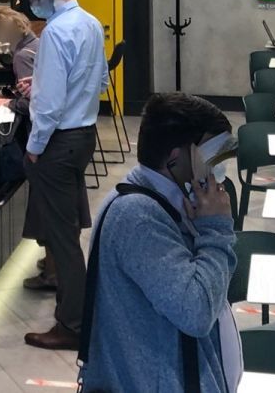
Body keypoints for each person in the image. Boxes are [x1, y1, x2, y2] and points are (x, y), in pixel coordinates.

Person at [79, 93, 240, 393]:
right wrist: (216, 228)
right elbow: (196, 312)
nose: (218, 174)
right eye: (211, 158)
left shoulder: (168, 201)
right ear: (175, 159)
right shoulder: (137, 216)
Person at [17, 0, 109, 351]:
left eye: (30, 1)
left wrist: (35, 148)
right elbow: (101, 79)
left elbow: (51, 105)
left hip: (58, 141)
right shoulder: (90, 23)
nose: (31, 9)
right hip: (84, 135)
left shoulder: (55, 32)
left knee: (62, 240)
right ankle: (79, 314)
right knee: (68, 230)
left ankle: (72, 324)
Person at [0, 7, 40, 182]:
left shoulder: (22, 57)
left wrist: (6, 103)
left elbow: (33, 104)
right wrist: (7, 97)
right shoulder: (37, 44)